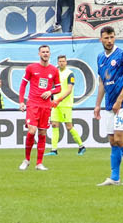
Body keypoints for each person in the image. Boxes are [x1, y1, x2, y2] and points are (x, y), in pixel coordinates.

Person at [94, 26, 123, 186]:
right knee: (112, 140)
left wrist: (119, 100)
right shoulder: (100, 57)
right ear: (101, 39)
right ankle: (114, 177)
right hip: (110, 104)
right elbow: (102, 82)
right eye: (106, 38)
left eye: (112, 37)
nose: (109, 40)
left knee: (120, 138)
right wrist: (97, 105)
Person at [19, 43, 67, 172]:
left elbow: (59, 88)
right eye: (43, 52)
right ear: (39, 54)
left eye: (47, 52)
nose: (45, 54)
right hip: (33, 104)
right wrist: (21, 102)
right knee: (31, 131)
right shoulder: (31, 68)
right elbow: (23, 85)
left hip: (46, 106)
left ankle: (39, 163)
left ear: (50, 54)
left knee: (42, 133)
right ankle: (27, 159)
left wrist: (50, 92)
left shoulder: (53, 70)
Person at [48, 54, 85, 156]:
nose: (61, 63)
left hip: (65, 104)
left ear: (66, 62)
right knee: (54, 125)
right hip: (56, 103)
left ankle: (81, 146)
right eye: (60, 61)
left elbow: (69, 90)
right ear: (57, 62)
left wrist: (59, 99)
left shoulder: (70, 74)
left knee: (68, 126)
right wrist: (52, 99)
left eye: (63, 61)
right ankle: (54, 150)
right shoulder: (55, 72)